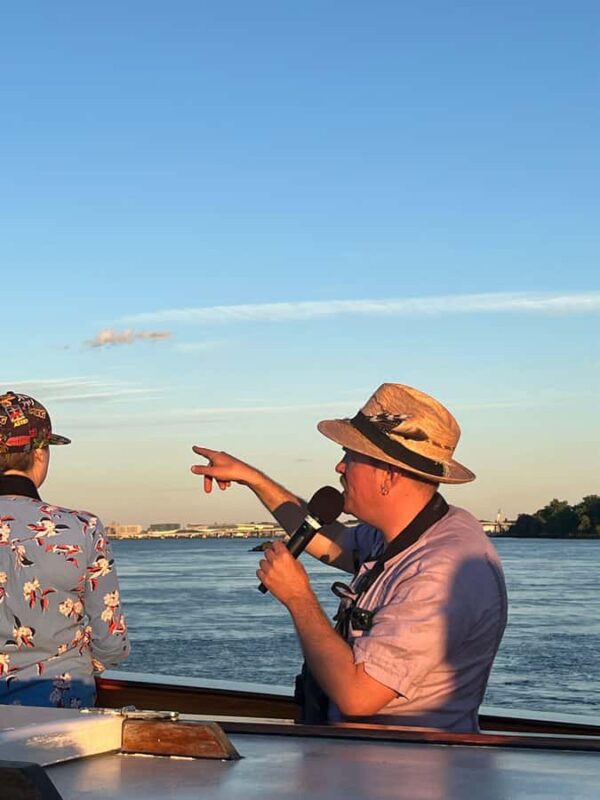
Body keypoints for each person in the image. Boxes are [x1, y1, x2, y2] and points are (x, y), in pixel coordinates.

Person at [191, 383, 507, 733]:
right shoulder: (415, 530)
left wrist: (298, 598)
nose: (339, 467)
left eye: (351, 455)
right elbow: (333, 541)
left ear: (388, 474)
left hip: (405, 775)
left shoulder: (440, 572)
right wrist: (250, 477)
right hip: (363, 764)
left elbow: (358, 696)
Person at [0, 391, 129, 707]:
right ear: (40, 454)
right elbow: (112, 644)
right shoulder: (82, 528)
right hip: (59, 709)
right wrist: (75, 664)